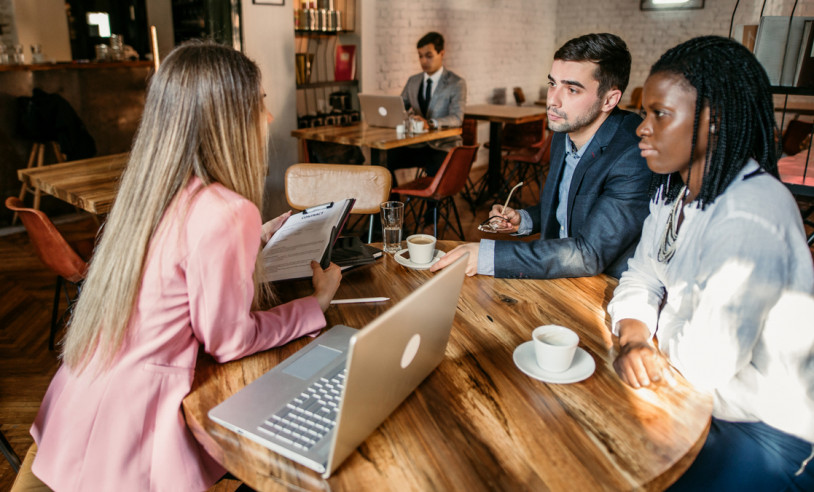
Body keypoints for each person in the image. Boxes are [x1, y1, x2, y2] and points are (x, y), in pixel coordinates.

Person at [23, 42, 342, 491]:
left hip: (81, 411)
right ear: (227, 121)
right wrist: (317, 301)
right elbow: (230, 341)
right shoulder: (227, 211)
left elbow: (181, 262)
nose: (268, 119)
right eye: (260, 105)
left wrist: (254, 238)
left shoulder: (151, 190)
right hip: (138, 433)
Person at [607, 36, 814, 490]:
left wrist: (649, 329)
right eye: (644, 113)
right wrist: (635, 334)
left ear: (714, 120)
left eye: (659, 114)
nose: (642, 128)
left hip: (764, 429)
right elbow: (641, 274)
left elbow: (705, 363)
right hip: (691, 397)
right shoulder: (676, 193)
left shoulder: (749, 213)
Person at [431, 33, 651, 279]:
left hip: (605, 289)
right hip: (558, 274)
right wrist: (522, 220)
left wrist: (484, 256)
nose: (552, 100)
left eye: (572, 89)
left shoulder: (633, 154)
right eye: (552, 83)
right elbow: (566, 205)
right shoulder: (564, 130)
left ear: (609, 99)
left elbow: (589, 254)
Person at [387, 31, 467, 180]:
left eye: (429, 56)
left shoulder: (456, 83)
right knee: (383, 160)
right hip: (417, 145)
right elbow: (399, 107)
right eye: (420, 56)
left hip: (444, 146)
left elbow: (457, 118)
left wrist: (430, 124)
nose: (424, 61)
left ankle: (432, 204)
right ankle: (394, 204)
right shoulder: (413, 81)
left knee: (435, 167)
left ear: (441, 53)